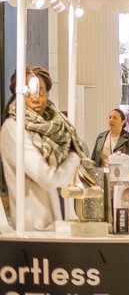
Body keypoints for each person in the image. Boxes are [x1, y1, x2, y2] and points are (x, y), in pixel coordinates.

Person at [0, 66, 86, 231]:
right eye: (30, 92)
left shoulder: (56, 126)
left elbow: (71, 180)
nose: (36, 99)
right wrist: (74, 156)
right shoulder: (13, 127)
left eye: (41, 92)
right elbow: (47, 179)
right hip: (34, 229)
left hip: (61, 225)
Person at [92, 107, 129, 173]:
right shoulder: (101, 137)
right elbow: (94, 159)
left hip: (123, 177)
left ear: (122, 121)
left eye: (114, 118)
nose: (111, 120)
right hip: (102, 176)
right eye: (110, 117)